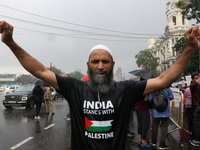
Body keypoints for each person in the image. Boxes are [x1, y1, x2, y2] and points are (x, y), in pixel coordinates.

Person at [0, 21, 200, 150]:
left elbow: (164, 80)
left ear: (113, 65)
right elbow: (40, 71)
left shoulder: (125, 90)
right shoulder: (75, 88)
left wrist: (190, 49)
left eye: (105, 61)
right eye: (95, 61)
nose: (100, 66)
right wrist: (10, 42)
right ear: (88, 65)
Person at [189, 73, 200, 147]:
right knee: (196, 124)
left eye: (198, 78)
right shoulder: (193, 85)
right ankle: (196, 138)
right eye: (196, 78)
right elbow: (192, 87)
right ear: (193, 80)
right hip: (196, 107)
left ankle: (197, 140)